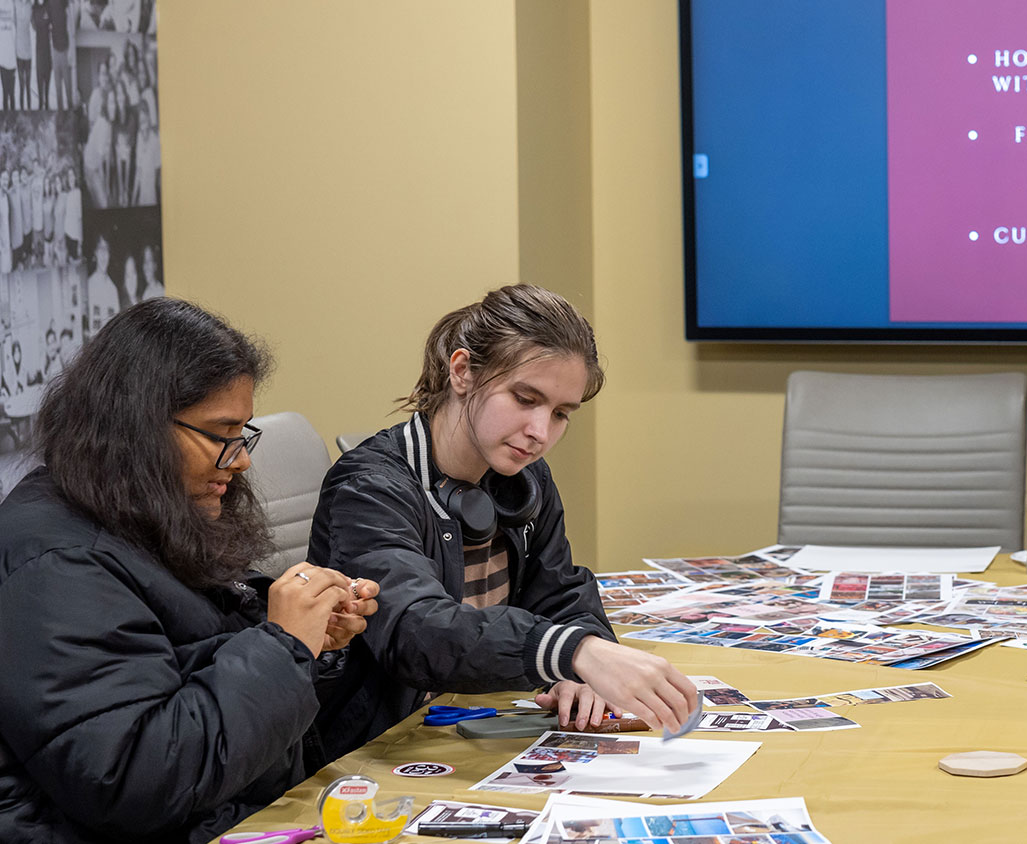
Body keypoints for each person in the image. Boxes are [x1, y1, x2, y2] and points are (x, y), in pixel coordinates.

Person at [0, 297, 381, 842]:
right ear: (135, 426)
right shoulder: (56, 565)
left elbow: (195, 669)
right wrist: (281, 646)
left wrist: (313, 645)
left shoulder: (134, 513)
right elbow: (135, 780)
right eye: (222, 434)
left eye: (243, 433)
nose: (241, 458)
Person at [308, 284, 697, 766]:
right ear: (463, 371)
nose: (540, 432)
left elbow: (558, 593)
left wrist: (583, 664)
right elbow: (416, 630)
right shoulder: (368, 486)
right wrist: (573, 651)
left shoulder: (524, 477)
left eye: (559, 414)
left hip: (467, 730)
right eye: (524, 398)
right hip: (373, 754)